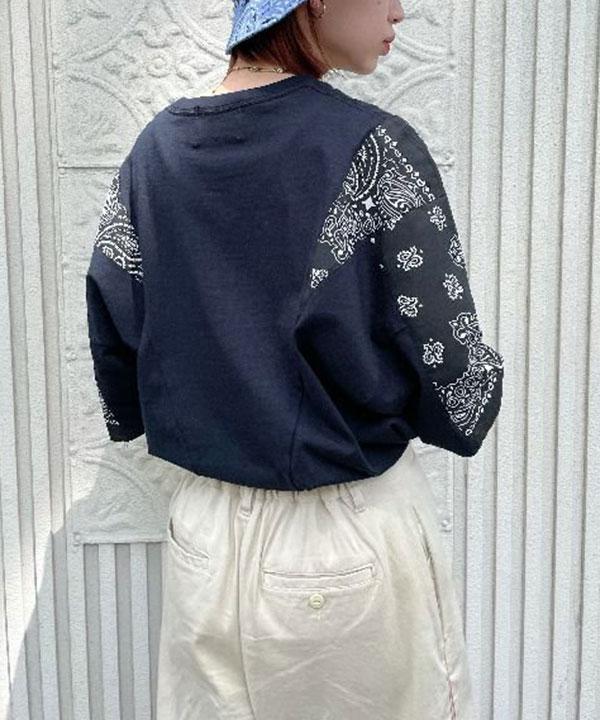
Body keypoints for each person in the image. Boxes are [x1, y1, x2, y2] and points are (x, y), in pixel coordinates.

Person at [85, 0, 504, 717]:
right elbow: (452, 369)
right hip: (344, 536)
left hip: (204, 537)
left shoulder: (155, 151)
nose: (399, 11)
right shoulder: (371, 148)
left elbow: (115, 317)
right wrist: (466, 405)